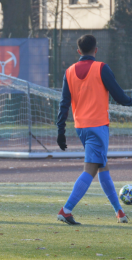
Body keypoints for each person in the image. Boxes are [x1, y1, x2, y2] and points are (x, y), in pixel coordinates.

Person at [56, 34, 132, 225]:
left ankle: (119, 212)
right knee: (90, 169)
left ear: (78, 51)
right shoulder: (101, 68)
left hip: (81, 128)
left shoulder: (69, 71)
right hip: (98, 127)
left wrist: (61, 131)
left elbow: (64, 104)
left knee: (102, 167)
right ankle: (66, 210)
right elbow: (120, 97)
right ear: (96, 50)